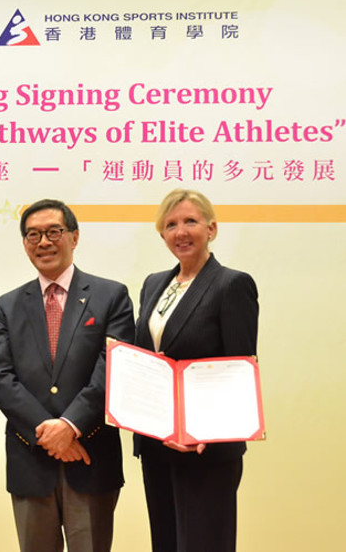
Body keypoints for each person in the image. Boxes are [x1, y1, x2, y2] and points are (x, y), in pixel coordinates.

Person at [0, 199, 135, 552]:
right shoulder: (7, 306)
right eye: (33, 235)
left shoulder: (110, 296)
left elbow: (112, 368)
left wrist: (69, 426)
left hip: (91, 454)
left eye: (54, 232)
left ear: (75, 237)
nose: (44, 242)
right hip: (30, 459)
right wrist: (48, 432)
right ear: (24, 244)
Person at [134, 189, 259, 552]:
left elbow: (239, 369)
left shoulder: (231, 284)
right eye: (170, 225)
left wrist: (207, 431)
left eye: (190, 221)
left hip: (206, 448)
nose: (180, 232)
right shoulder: (155, 284)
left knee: (204, 543)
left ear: (212, 229)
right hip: (158, 442)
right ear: (162, 235)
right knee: (167, 541)